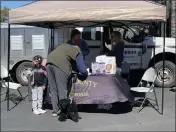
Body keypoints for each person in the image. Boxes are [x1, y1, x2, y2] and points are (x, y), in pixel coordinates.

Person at [46, 44, 88, 117]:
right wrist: (85, 73)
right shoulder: (77, 52)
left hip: (49, 62)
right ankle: (63, 111)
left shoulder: (65, 47)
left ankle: (55, 111)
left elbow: (72, 64)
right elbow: (81, 68)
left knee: (53, 89)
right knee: (62, 89)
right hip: (60, 65)